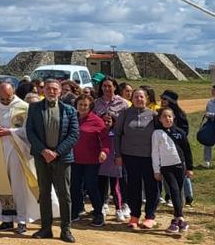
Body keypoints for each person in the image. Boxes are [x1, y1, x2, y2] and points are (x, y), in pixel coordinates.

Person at [0, 82, 40, 234]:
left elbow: (28, 129)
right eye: (3, 99)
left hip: (17, 151)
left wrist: (10, 131)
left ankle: (22, 221)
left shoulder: (24, 107)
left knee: (19, 187)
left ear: (14, 93)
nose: (5, 102)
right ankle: (7, 220)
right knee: (0, 186)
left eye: (8, 98)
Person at [24, 80, 79, 242]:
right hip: (41, 158)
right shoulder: (34, 108)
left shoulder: (69, 110)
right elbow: (30, 131)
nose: (51, 91)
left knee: (65, 194)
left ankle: (66, 229)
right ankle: (46, 228)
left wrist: (56, 152)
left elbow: (74, 134)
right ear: (44, 91)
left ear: (60, 91)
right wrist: (43, 150)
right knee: (44, 193)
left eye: (55, 89)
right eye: (48, 88)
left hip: (62, 158)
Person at [115, 86, 160, 229]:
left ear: (146, 99)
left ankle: (150, 216)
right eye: (136, 97)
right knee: (133, 186)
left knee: (151, 186)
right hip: (130, 156)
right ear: (131, 99)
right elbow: (117, 135)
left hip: (149, 157)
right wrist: (118, 154)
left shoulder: (154, 115)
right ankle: (134, 215)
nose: (139, 99)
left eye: (141, 97)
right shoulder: (125, 114)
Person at [151, 108, 193, 236]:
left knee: (178, 192)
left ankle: (176, 219)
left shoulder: (180, 133)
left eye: (170, 116)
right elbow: (155, 152)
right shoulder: (157, 133)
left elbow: (187, 151)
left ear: (173, 117)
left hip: (180, 166)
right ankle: (180, 217)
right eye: (164, 117)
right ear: (160, 119)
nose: (167, 119)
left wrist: (190, 168)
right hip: (166, 167)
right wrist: (156, 170)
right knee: (174, 189)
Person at [71, 94, 110, 228]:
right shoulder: (72, 118)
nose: (82, 107)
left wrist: (104, 151)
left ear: (90, 107)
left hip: (92, 160)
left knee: (91, 186)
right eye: (80, 104)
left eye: (85, 105)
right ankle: (75, 211)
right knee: (74, 186)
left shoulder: (97, 121)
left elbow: (105, 140)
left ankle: (98, 214)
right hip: (74, 159)